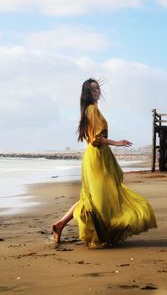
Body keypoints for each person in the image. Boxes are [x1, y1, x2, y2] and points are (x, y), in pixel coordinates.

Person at [52, 78, 157, 248]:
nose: (97, 91)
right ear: (87, 92)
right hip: (97, 156)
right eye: (93, 89)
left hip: (98, 156)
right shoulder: (92, 110)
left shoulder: (90, 109)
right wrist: (117, 143)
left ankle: (60, 225)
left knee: (92, 197)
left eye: (98, 88)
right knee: (97, 198)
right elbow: (95, 140)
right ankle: (93, 230)